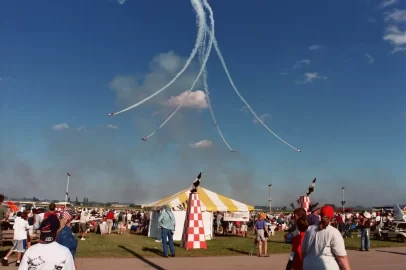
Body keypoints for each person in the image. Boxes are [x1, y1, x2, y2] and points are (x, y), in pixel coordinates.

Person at [302, 205, 351, 270]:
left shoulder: (309, 229)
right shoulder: (333, 232)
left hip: (308, 265)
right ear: (332, 217)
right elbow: (341, 257)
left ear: (320, 215)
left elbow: (304, 252)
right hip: (326, 266)